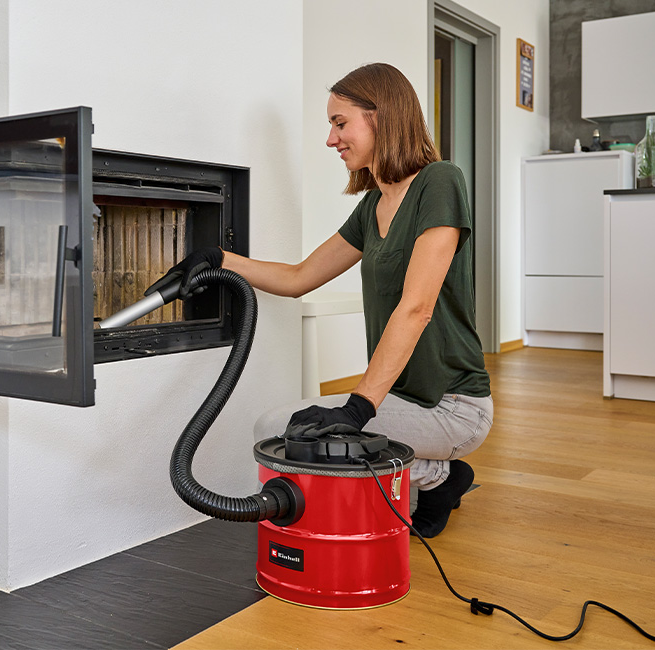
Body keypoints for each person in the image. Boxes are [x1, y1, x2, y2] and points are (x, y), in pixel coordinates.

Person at [148, 62, 492, 538]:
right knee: (281, 427)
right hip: (398, 400)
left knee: (290, 432)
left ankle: (437, 475)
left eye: (339, 123)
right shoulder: (372, 206)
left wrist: (357, 411)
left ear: (382, 117)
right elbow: (300, 277)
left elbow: (417, 308)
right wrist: (220, 259)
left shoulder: (440, 181)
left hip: (452, 407)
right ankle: (435, 478)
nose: (332, 139)